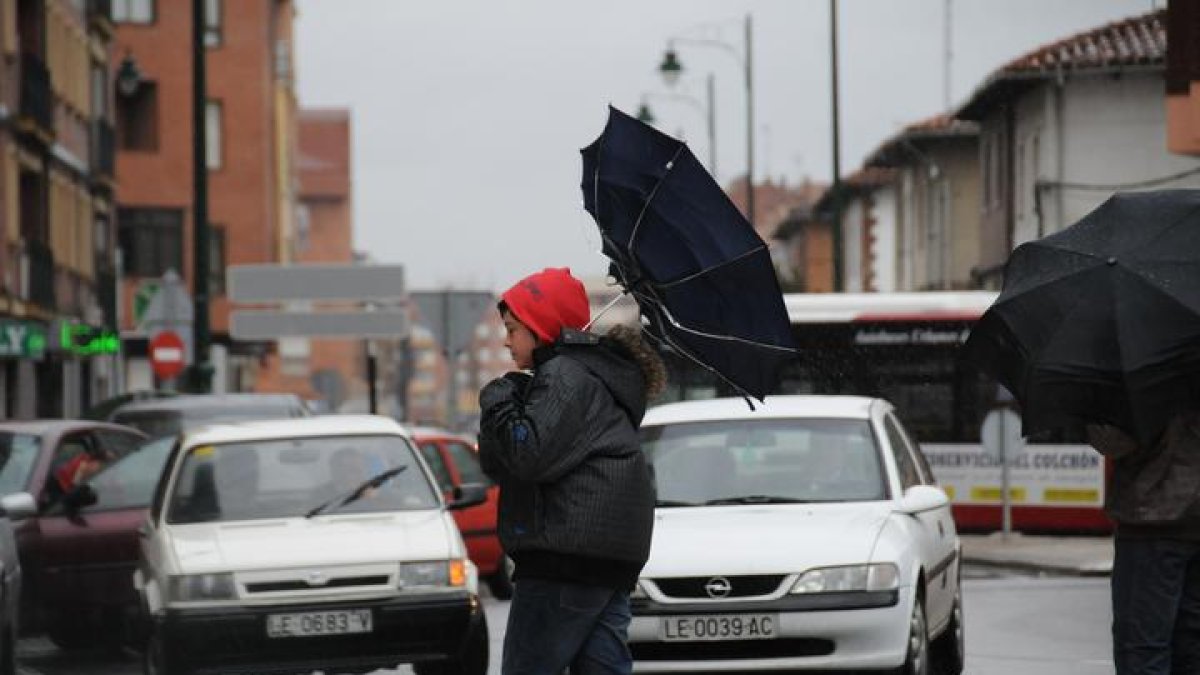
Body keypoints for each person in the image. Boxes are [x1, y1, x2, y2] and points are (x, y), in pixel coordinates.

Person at [477, 267, 666, 675]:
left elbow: (529, 457)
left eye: (513, 329)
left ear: (541, 326)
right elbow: (500, 462)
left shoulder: (566, 374)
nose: (506, 340)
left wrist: (498, 400)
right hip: (607, 559)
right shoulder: (597, 376)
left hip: (563, 558)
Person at [1085, 412, 1200, 674]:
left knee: (1143, 649)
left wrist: (1090, 412)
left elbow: (1114, 442)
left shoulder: (1151, 375)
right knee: (1192, 647)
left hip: (1155, 520)